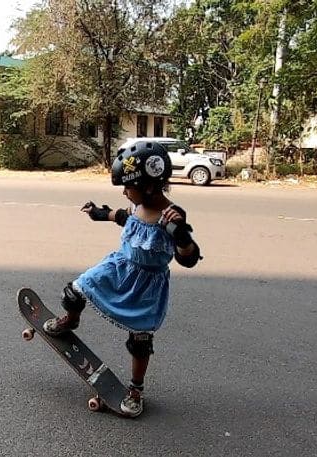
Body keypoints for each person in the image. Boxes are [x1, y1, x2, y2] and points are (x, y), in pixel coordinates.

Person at [43, 139, 202, 417]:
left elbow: (188, 258)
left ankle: (136, 390)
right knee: (73, 292)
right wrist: (100, 213)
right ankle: (71, 320)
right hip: (119, 267)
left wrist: (181, 236)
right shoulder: (139, 205)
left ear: (150, 186)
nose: (126, 192)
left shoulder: (170, 216)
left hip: (149, 284)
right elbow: (124, 216)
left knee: (140, 341)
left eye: (129, 187)